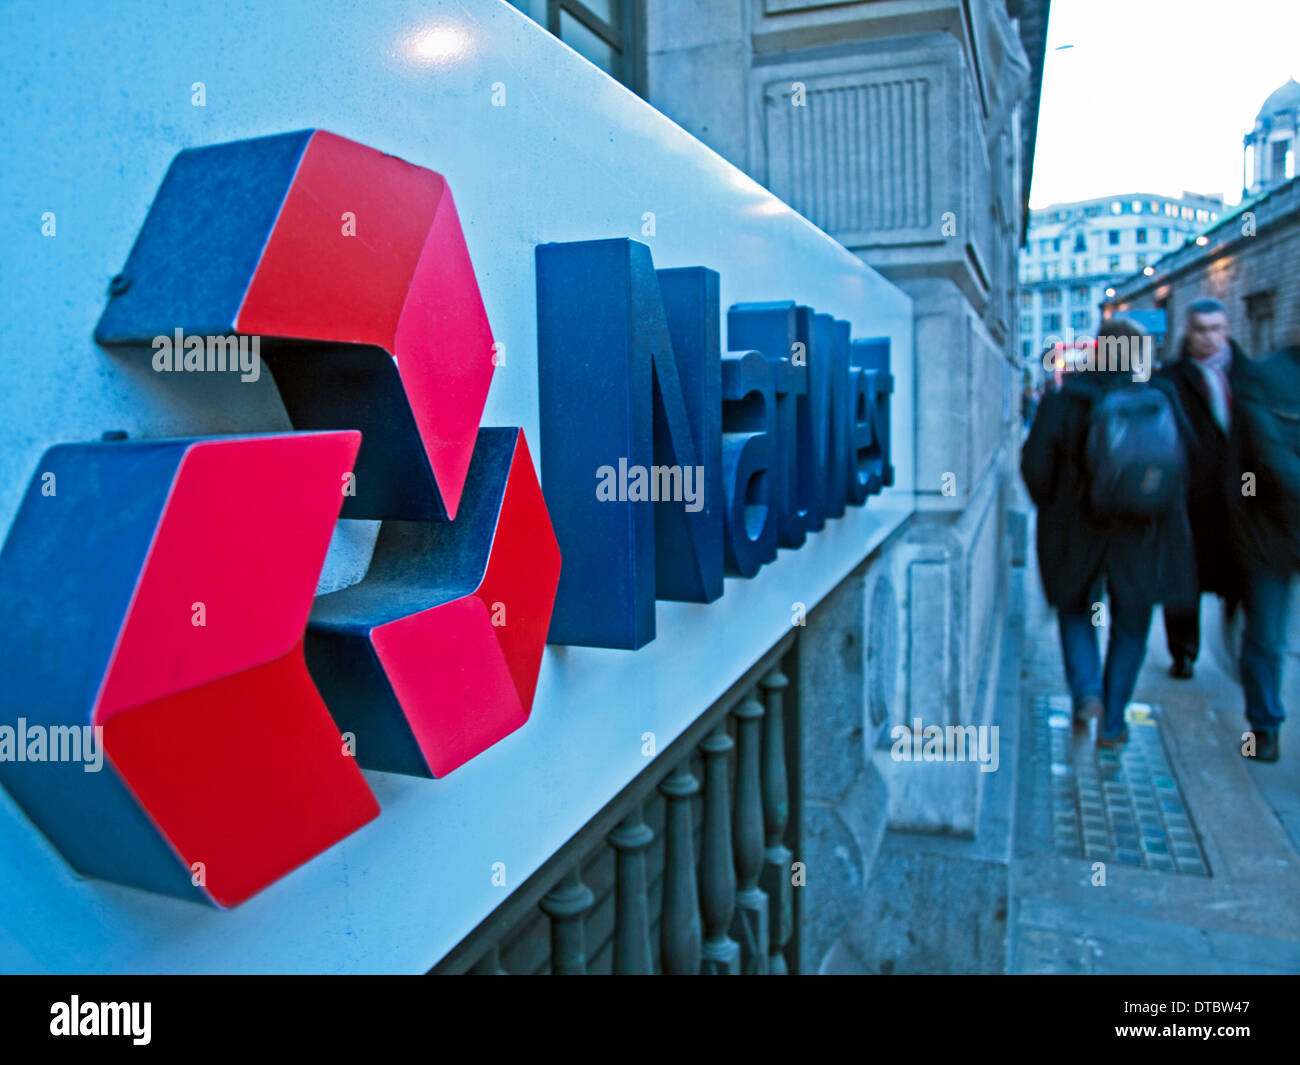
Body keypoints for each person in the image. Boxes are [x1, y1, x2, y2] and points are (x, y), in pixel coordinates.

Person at [1022, 319, 1197, 746]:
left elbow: (1035, 469)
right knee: (1131, 627)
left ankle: (1086, 693)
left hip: (1076, 533)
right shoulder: (1160, 397)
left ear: (1097, 349)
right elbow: (1187, 458)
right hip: (1142, 533)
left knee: (1077, 612)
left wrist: (1057, 501)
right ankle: (1114, 721)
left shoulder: (1064, 399)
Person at [1156, 299, 1247, 679]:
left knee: (1242, 580)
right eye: (1201, 329)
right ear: (1188, 332)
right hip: (1188, 499)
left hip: (1241, 499)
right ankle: (1183, 651)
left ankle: (1241, 648)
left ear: (1227, 331)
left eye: (1216, 329)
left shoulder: (1247, 377)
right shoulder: (1171, 380)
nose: (1209, 338)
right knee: (1183, 581)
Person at [1227, 336, 1300, 763]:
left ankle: (1264, 725)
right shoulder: (1265, 378)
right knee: (1265, 636)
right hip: (1268, 534)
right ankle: (1264, 728)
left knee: (1265, 637)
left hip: (1271, 530)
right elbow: (1259, 465)